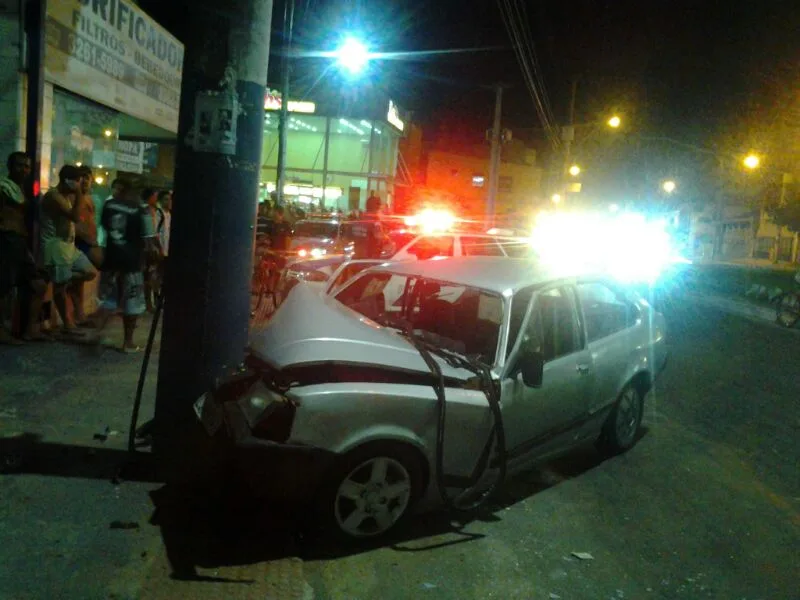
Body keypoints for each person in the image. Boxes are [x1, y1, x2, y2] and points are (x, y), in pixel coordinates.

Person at [91, 179, 154, 352]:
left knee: (107, 299)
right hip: (131, 261)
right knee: (131, 303)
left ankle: (97, 335)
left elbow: (104, 226)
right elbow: (148, 241)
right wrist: (146, 261)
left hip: (111, 258)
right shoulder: (142, 210)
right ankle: (128, 342)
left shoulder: (109, 205)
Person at [39, 164, 97, 339]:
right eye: (78, 181)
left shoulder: (67, 197)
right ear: (69, 181)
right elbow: (74, 216)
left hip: (69, 247)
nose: (81, 184)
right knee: (60, 287)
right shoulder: (53, 196)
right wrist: (79, 192)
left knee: (89, 272)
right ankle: (68, 324)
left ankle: (60, 279)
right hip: (55, 246)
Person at [0, 152, 49, 344]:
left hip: (19, 240)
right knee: (4, 287)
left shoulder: (24, 188)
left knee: (37, 283)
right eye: (20, 165)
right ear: (10, 166)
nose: (24, 170)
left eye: (27, 166)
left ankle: (30, 329)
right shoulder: (4, 187)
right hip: (6, 238)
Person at [73, 165, 101, 326]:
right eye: (81, 177)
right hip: (78, 242)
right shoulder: (73, 198)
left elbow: (91, 221)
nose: (85, 181)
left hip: (88, 242)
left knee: (82, 281)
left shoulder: (90, 199)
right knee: (87, 274)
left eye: (87, 177)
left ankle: (80, 314)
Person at [141, 188, 164, 312]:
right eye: (155, 196)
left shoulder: (153, 210)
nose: (156, 199)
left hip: (148, 246)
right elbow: (150, 233)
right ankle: (148, 303)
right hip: (147, 248)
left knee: (150, 276)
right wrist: (157, 247)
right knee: (148, 277)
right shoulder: (145, 211)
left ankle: (149, 302)